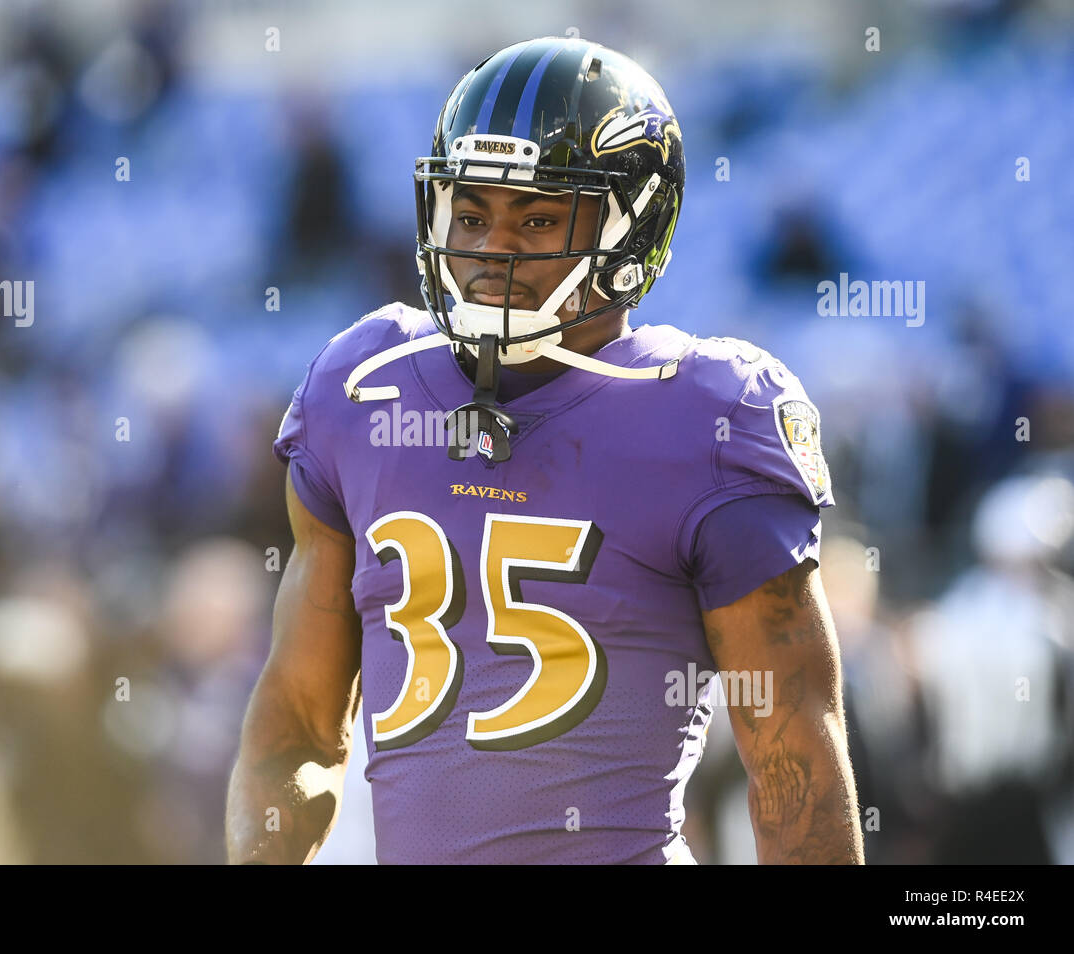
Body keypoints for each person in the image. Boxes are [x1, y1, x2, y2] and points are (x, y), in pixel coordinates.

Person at [226, 35, 863, 864]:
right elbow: (302, 724)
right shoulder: (361, 389)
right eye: (472, 211)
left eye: (536, 217)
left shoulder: (707, 416)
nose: (492, 250)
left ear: (632, 227)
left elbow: (790, 758)